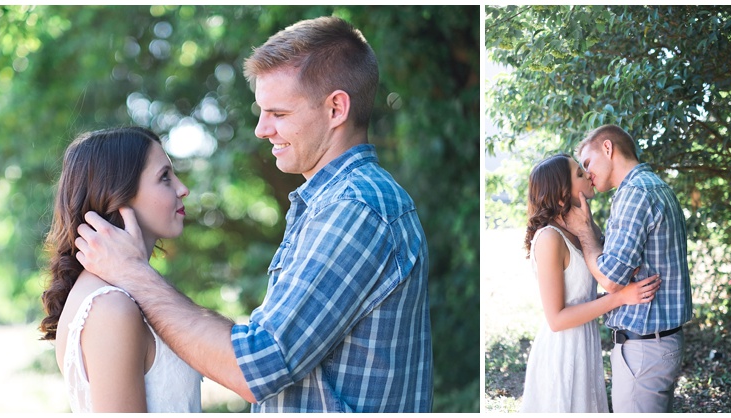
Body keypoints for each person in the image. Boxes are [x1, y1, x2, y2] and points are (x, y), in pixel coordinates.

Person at [72, 16, 432, 412]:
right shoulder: (328, 205)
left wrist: (132, 273)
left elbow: (258, 365)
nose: (261, 129)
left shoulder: (354, 209)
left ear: (336, 109)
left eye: (278, 113)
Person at [38, 127, 202, 413]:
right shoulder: (110, 307)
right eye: (165, 177)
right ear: (119, 195)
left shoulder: (124, 296)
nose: (182, 188)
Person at [564, 125, 693, 413]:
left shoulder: (635, 194)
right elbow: (617, 259)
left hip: (645, 349)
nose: (587, 175)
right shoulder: (654, 186)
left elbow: (610, 278)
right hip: (657, 344)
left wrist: (584, 231)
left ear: (608, 149)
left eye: (587, 163)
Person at [520, 153, 661, 413]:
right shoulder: (550, 239)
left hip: (585, 342)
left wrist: (589, 224)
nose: (588, 174)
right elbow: (557, 318)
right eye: (579, 173)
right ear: (561, 195)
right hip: (562, 350)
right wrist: (620, 298)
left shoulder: (580, 231)